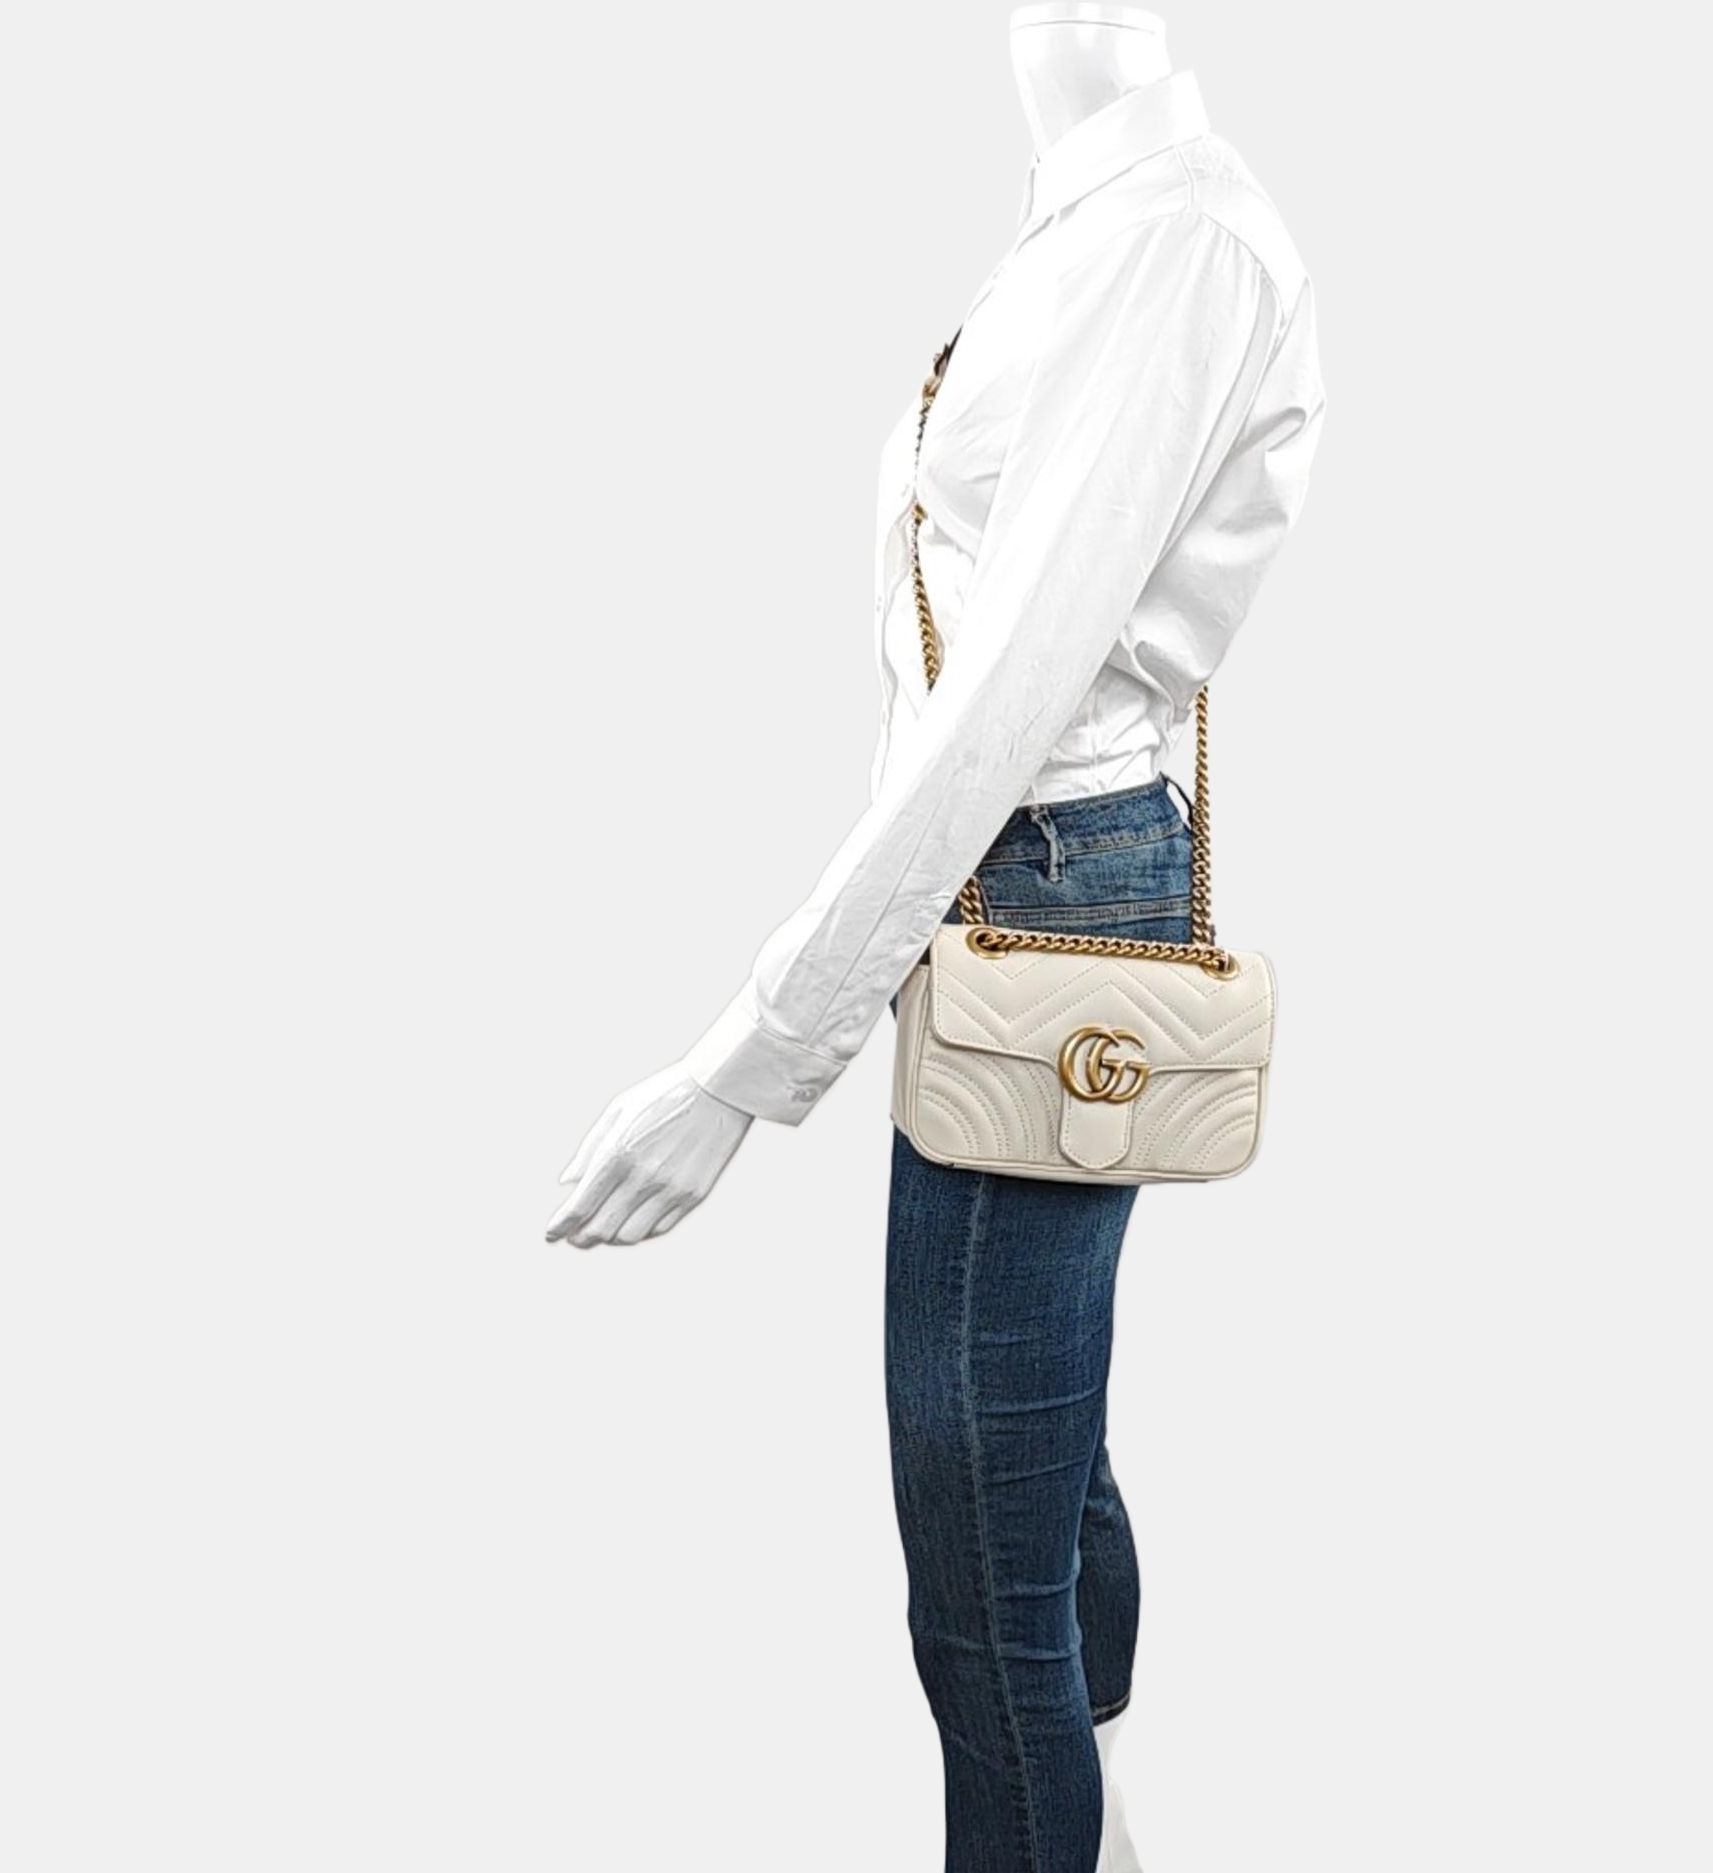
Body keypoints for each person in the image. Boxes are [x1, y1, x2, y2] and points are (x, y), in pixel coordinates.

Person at [547, 11, 1325, 1868]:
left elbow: (1007, 698)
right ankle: (1105, 1820)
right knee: (1038, 1466)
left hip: (1042, 875)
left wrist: (747, 1064)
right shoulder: (1092, 223)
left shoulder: (1180, 242)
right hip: (1008, 884)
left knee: (979, 1569)